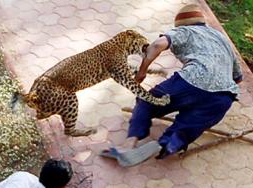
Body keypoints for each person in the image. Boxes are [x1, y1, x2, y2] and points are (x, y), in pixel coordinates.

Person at [101, 3, 243, 164]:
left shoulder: (185, 31)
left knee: (146, 102)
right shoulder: (221, 38)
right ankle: (166, 144)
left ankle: (128, 145)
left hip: (193, 79)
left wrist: (141, 72)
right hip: (223, 97)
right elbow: (238, 78)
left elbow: (156, 45)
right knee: (189, 123)